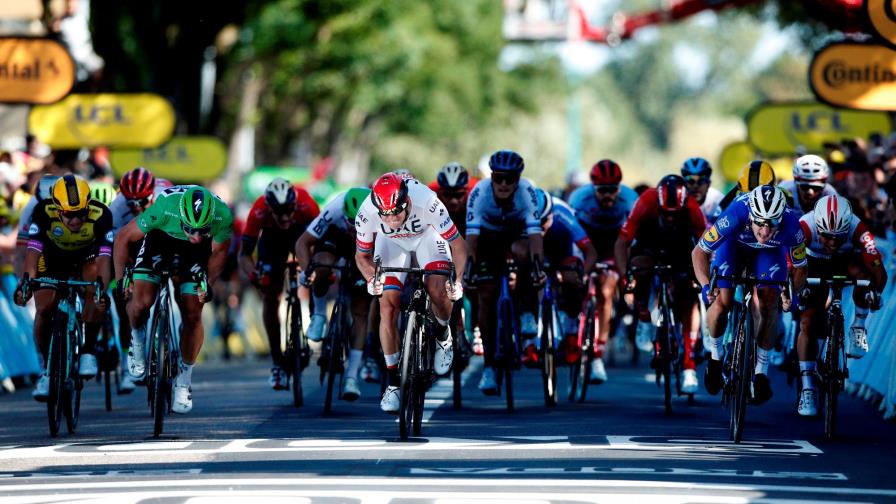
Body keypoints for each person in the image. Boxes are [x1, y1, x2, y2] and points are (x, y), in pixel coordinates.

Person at [114, 185, 234, 414]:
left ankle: (184, 381)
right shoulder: (164, 208)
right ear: (182, 216)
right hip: (160, 241)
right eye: (192, 229)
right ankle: (137, 341)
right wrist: (122, 281)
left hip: (194, 256)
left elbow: (219, 253)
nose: (197, 236)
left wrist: (207, 284)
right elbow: (122, 239)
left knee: (192, 313)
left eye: (203, 230)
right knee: (140, 304)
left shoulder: (222, 215)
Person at [355, 173, 466, 413]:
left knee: (438, 289)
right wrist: (372, 278)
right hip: (390, 244)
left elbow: (458, 244)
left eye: (397, 212)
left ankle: (443, 334)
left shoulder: (428, 201)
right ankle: (394, 382)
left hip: (427, 238)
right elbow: (362, 256)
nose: (393, 219)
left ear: (407, 202)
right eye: (386, 215)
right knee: (388, 305)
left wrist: (457, 281)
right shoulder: (366, 213)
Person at [692, 185, 807, 404]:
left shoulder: (792, 226)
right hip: (733, 248)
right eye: (760, 223)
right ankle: (715, 358)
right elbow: (699, 251)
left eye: (772, 224)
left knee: (769, 303)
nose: (765, 232)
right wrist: (707, 286)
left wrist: (792, 293)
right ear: (751, 215)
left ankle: (761, 371)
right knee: (722, 300)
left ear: (780, 218)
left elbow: (801, 267)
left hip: (769, 254)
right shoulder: (736, 213)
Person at [14, 175, 113, 401]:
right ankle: (47, 370)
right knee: (44, 308)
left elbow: (104, 261)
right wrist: (26, 282)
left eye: (81, 213)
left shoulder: (101, 214)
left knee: (95, 286)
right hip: (52, 259)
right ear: (58, 209)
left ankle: (88, 350)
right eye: (69, 214)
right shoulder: (42, 211)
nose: (76, 220)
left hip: (87, 258)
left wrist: (101, 290)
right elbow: (32, 254)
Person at [795, 195, 887, 416]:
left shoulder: (858, 229)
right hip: (812, 265)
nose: (833, 243)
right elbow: (792, 266)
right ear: (818, 227)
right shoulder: (804, 228)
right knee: (808, 321)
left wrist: (875, 293)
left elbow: (878, 268)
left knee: (864, 277)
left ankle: (858, 325)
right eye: (827, 237)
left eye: (839, 237)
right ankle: (808, 387)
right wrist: (798, 291)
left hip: (845, 262)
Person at [614, 175, 707, 393]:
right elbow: (622, 242)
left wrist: (702, 277)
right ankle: (644, 317)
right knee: (639, 269)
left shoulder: (692, 207)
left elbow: (707, 246)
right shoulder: (645, 202)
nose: (671, 218)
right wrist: (625, 276)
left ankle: (689, 367)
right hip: (650, 244)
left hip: (683, 248)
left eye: (675, 214)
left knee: (689, 297)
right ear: (658, 203)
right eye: (666, 213)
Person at [465, 150, 544, 394]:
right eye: (498, 178)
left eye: (510, 179)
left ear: (518, 179)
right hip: (487, 239)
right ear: (492, 177)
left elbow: (535, 237)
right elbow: (472, 240)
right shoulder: (479, 193)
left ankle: (527, 312)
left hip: (516, 234)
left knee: (524, 254)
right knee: (487, 296)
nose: (503, 184)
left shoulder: (527, 192)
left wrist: (538, 268)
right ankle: (489, 366)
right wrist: (469, 269)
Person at [239, 178, 319, 390]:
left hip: (300, 235)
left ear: (295, 204)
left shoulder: (307, 204)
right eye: (278, 212)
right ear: (268, 207)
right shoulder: (258, 210)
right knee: (269, 295)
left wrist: (315, 270)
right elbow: (244, 254)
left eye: (288, 211)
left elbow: (321, 242)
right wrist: (254, 274)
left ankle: (316, 318)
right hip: (272, 241)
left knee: (316, 272)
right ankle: (277, 362)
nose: (284, 217)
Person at [295, 187, 371, 401]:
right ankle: (319, 315)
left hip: (366, 247)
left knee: (360, 308)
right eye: (350, 222)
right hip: (335, 237)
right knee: (322, 264)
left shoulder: (379, 216)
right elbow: (303, 242)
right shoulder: (334, 209)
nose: (353, 228)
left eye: (358, 223)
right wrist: (306, 270)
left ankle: (352, 376)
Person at [568, 159, 636, 375]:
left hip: (614, 242)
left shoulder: (629, 199)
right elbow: (571, 234)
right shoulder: (579, 198)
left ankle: (599, 352)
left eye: (612, 190)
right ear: (593, 188)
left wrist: (625, 270)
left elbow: (631, 240)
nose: (608, 195)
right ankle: (572, 323)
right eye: (602, 191)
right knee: (575, 280)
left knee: (606, 290)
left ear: (619, 188)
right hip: (587, 238)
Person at [535, 189, 601, 380]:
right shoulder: (525, 216)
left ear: (550, 215)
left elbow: (590, 253)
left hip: (565, 248)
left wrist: (583, 276)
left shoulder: (562, 215)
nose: (539, 229)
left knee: (572, 278)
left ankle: (572, 331)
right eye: (535, 224)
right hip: (536, 249)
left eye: (543, 223)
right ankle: (530, 334)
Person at [681, 157, 723, 224]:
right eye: (691, 181)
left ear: (709, 184)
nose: (695, 186)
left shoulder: (718, 200)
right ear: (684, 184)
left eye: (701, 181)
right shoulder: (679, 201)